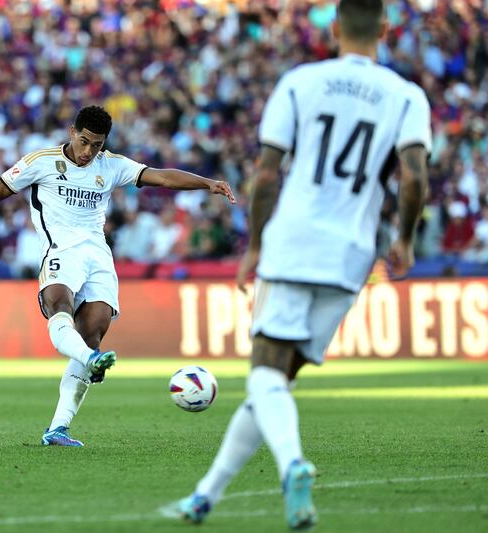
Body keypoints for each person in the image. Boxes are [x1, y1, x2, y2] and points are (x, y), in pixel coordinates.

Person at [166, 0, 431, 528]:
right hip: (352, 254)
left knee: (264, 372)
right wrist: (404, 237)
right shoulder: (407, 95)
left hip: (297, 241)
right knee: (276, 383)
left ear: (333, 29)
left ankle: (292, 466)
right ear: (384, 29)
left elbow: (266, 176)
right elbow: (415, 175)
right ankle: (203, 498)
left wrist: (257, 246)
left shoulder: (300, 83)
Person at [0, 105, 235, 447]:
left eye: (96, 145)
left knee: (91, 333)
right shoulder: (42, 161)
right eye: (84, 142)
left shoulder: (111, 165)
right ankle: (91, 361)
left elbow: (163, 177)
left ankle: (58, 428)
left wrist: (207, 183)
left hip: (98, 257)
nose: (88, 152)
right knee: (59, 306)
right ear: (72, 132)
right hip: (60, 252)